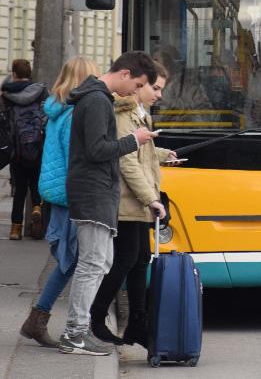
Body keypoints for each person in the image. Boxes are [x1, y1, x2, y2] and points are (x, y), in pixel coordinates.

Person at [58, 51, 158, 356]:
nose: (136, 91)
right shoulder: (99, 100)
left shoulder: (94, 97)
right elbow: (97, 149)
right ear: (125, 73)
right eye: (138, 83)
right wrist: (135, 140)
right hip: (94, 192)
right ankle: (75, 334)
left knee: (98, 263)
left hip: (94, 191)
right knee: (92, 264)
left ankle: (78, 330)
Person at [90, 61, 178, 348]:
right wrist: (150, 198)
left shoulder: (141, 114)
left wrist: (163, 154)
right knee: (126, 259)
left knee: (140, 260)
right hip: (127, 201)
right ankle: (97, 316)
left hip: (137, 201)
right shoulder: (125, 115)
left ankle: (138, 323)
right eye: (154, 88)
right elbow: (127, 162)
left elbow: (143, 153)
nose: (158, 95)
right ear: (139, 86)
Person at [19, 56, 101, 348]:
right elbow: (76, 159)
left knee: (72, 260)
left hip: (58, 191)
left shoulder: (57, 109)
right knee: (74, 261)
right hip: (71, 194)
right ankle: (40, 319)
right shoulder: (75, 114)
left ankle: (38, 319)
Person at [1, 59, 48, 241]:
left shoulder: (6, 95)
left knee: (19, 190)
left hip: (17, 149)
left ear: (14, 73)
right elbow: (46, 116)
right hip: (38, 145)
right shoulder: (41, 91)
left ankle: (15, 229)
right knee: (36, 184)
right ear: (30, 73)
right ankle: (36, 208)